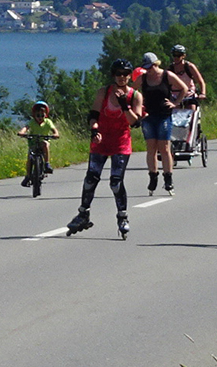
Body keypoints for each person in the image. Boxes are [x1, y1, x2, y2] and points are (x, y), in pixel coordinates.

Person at [67, 59, 144, 237]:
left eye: (125, 74)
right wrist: (94, 130)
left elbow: (135, 122)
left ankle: (122, 216)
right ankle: (83, 214)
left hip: (121, 143)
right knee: (91, 179)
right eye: (118, 74)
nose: (122, 77)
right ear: (113, 75)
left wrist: (124, 104)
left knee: (116, 182)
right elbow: (93, 115)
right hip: (101, 141)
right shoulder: (104, 92)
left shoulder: (135, 96)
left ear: (129, 76)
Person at [139, 52, 189, 193]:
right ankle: (153, 176)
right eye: (146, 68)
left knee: (164, 148)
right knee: (151, 148)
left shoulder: (167, 76)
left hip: (163, 115)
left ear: (156, 64)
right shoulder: (143, 78)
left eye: (151, 67)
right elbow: (133, 90)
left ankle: (168, 177)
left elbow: (183, 88)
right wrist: (138, 104)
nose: (149, 70)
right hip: (148, 116)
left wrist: (175, 102)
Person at [18, 100, 59, 185]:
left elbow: (54, 130)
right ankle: (28, 176)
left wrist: (55, 134)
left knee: (45, 144)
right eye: (38, 115)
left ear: (45, 115)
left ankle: (47, 164)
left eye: (42, 115)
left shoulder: (48, 122)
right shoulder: (32, 122)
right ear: (34, 115)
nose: (40, 117)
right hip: (33, 142)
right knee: (30, 157)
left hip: (43, 141)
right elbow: (26, 128)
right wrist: (22, 132)